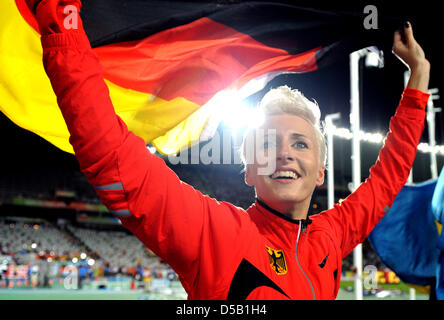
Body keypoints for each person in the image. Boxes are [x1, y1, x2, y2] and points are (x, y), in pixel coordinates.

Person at [25, 0, 430, 299]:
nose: (285, 153)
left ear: (321, 170)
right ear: (249, 170)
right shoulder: (213, 233)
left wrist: (419, 79)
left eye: (300, 143)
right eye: (267, 143)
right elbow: (110, 156)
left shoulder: (329, 239)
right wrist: (64, 29)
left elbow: (387, 180)